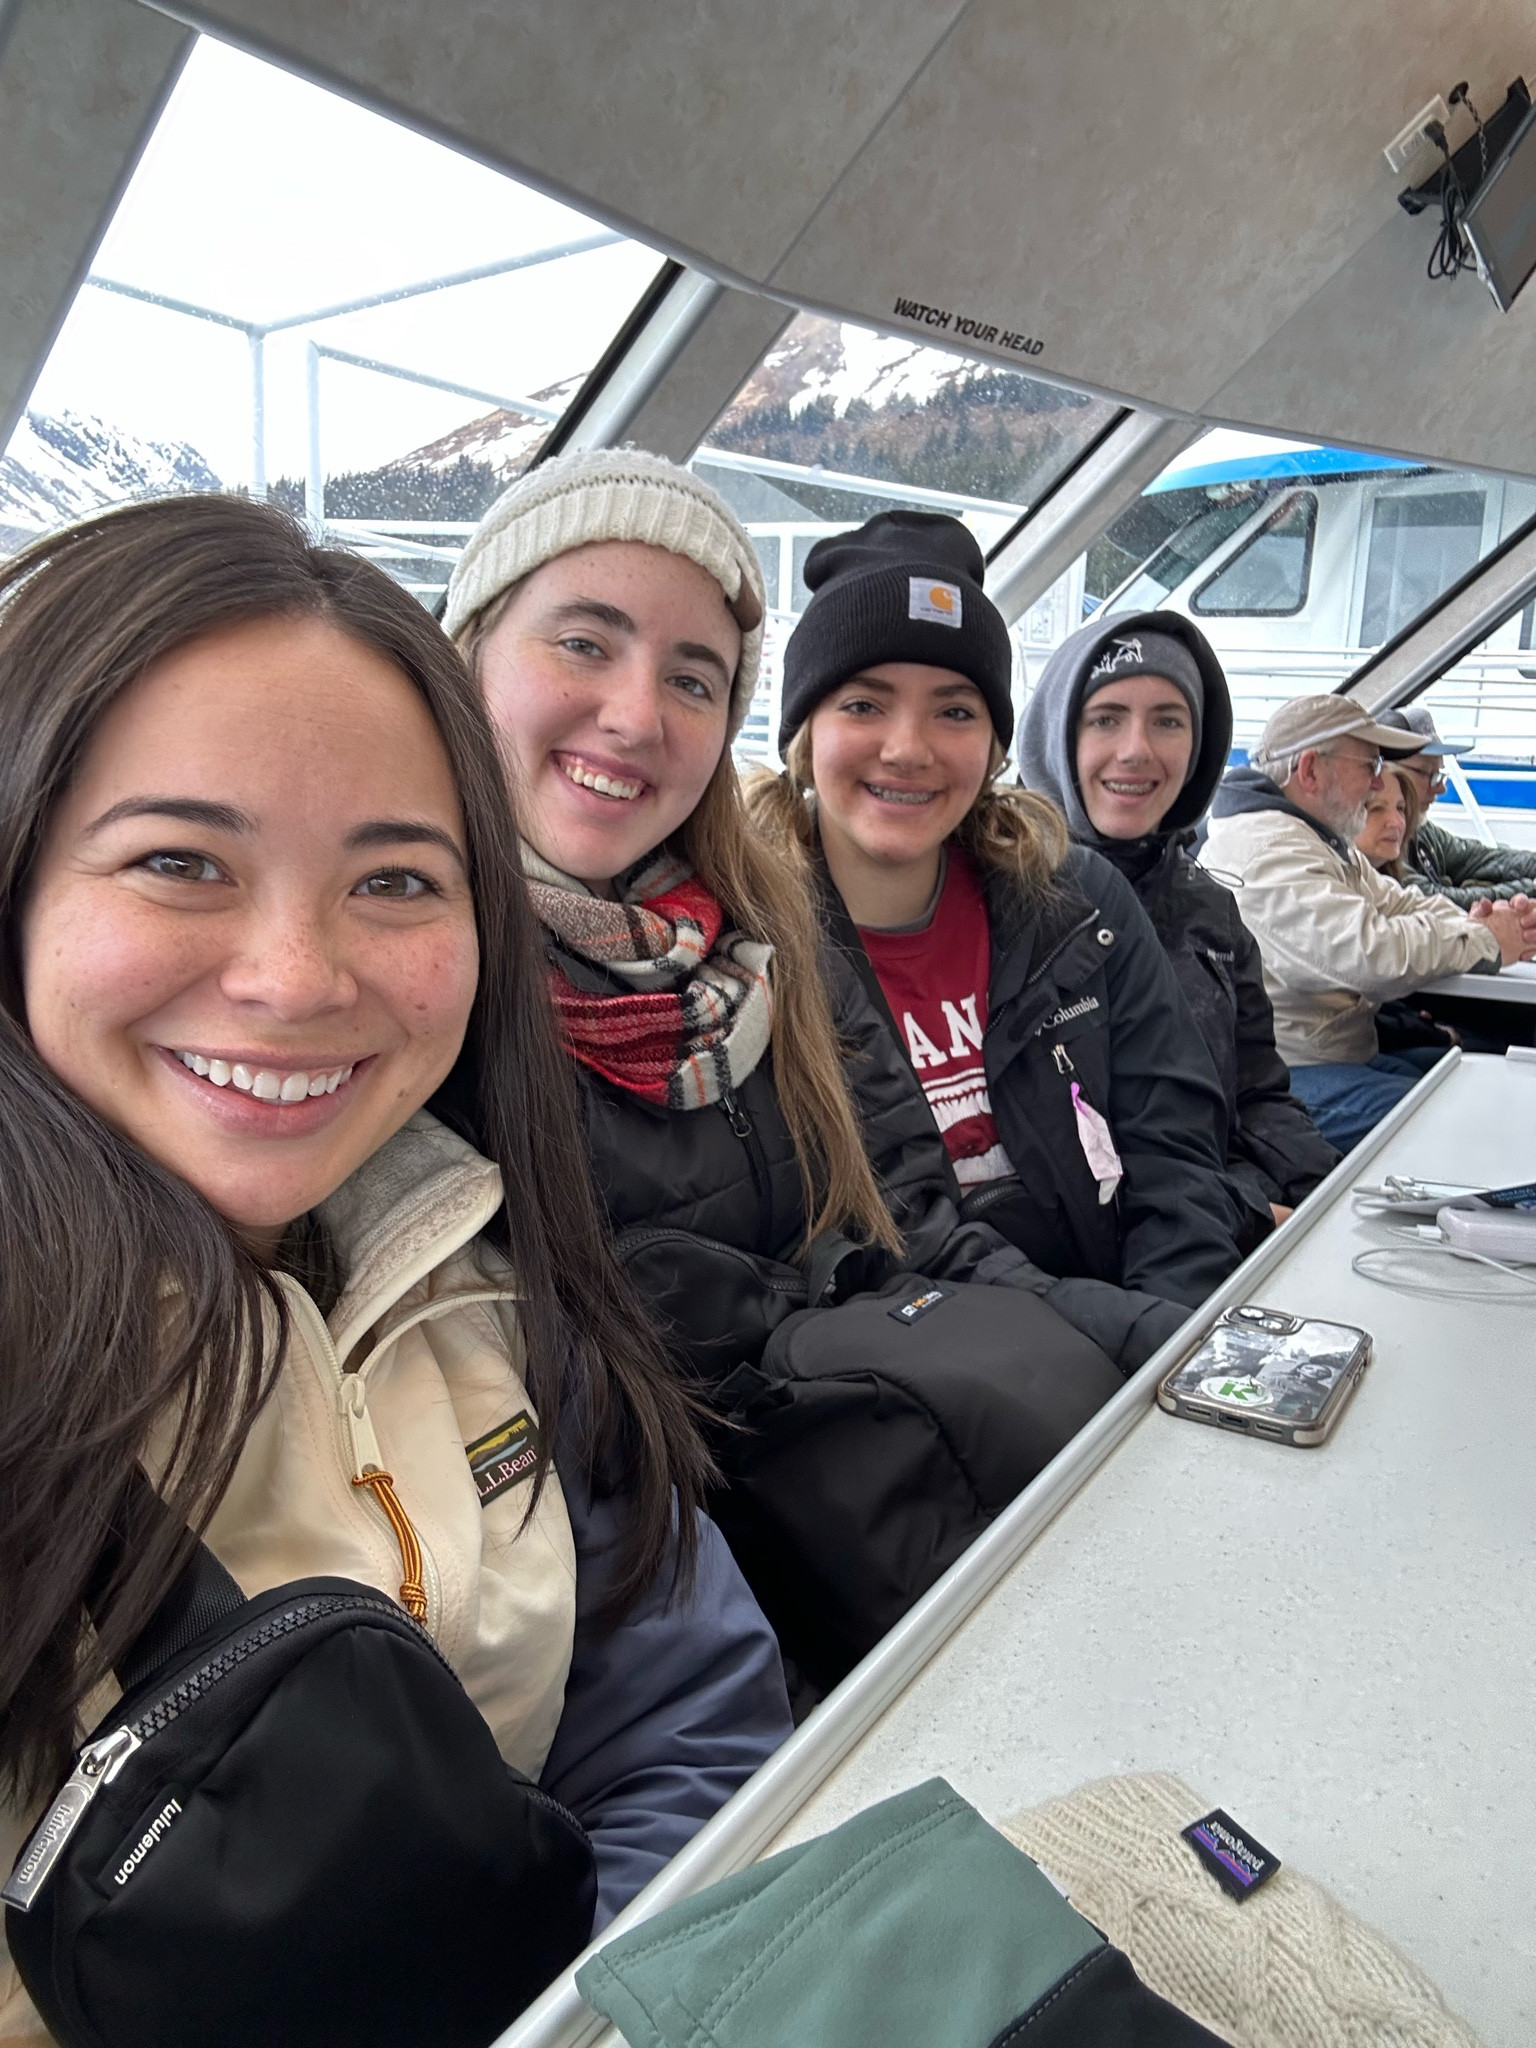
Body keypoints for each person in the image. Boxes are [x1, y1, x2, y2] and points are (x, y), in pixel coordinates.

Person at [0, 497, 793, 2040]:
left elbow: (687, 1709)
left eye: (394, 881)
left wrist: (583, 2009)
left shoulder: (481, 1259)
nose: (296, 978)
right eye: (179, 859)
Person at [747, 510, 1248, 1309]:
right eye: (864, 705)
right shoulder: (750, 945)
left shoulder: (1078, 905)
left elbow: (1174, 1156)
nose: (908, 748)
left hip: (1126, 1328)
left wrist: (1175, 1345)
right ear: (805, 733)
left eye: (955, 710)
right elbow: (865, 1245)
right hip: (924, 1370)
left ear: (995, 748)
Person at [1017, 610, 1338, 1249]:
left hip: (1224, 1219)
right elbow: (1068, 1160)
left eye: (1168, 720)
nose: (1137, 749)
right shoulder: (1010, 906)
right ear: (1058, 735)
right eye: (1105, 718)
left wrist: (1329, 1197)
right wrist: (1251, 1214)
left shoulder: (1207, 909)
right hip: (1114, 1255)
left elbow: (1260, 1094)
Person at [1204, 696, 1536, 1150]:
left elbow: (1405, 905)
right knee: (1478, 1122)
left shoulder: (1316, 839)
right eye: (1370, 763)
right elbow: (1370, 955)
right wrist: (1484, 939)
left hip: (1335, 1057)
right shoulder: (1267, 851)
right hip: (1285, 1076)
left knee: (1480, 1074)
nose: (1380, 781)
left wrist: (1477, 926)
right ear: (1311, 770)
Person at [1375, 704, 1536, 907]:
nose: (1441, 788)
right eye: (1428, 774)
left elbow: (1480, 858)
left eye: (1440, 775)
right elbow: (1435, 901)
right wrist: (1529, 889)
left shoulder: (1421, 832)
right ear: (1386, 773)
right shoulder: (1374, 845)